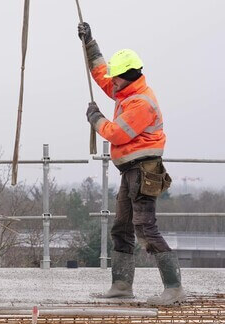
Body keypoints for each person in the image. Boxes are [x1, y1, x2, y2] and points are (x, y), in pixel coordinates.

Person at [78, 22, 184, 305]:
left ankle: (173, 287)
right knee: (122, 227)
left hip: (143, 171)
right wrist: (90, 43)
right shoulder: (125, 90)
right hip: (130, 172)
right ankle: (122, 285)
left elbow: (116, 133)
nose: (111, 82)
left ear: (128, 75)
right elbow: (101, 74)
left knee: (145, 228)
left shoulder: (141, 103)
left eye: (116, 78)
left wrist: (95, 118)